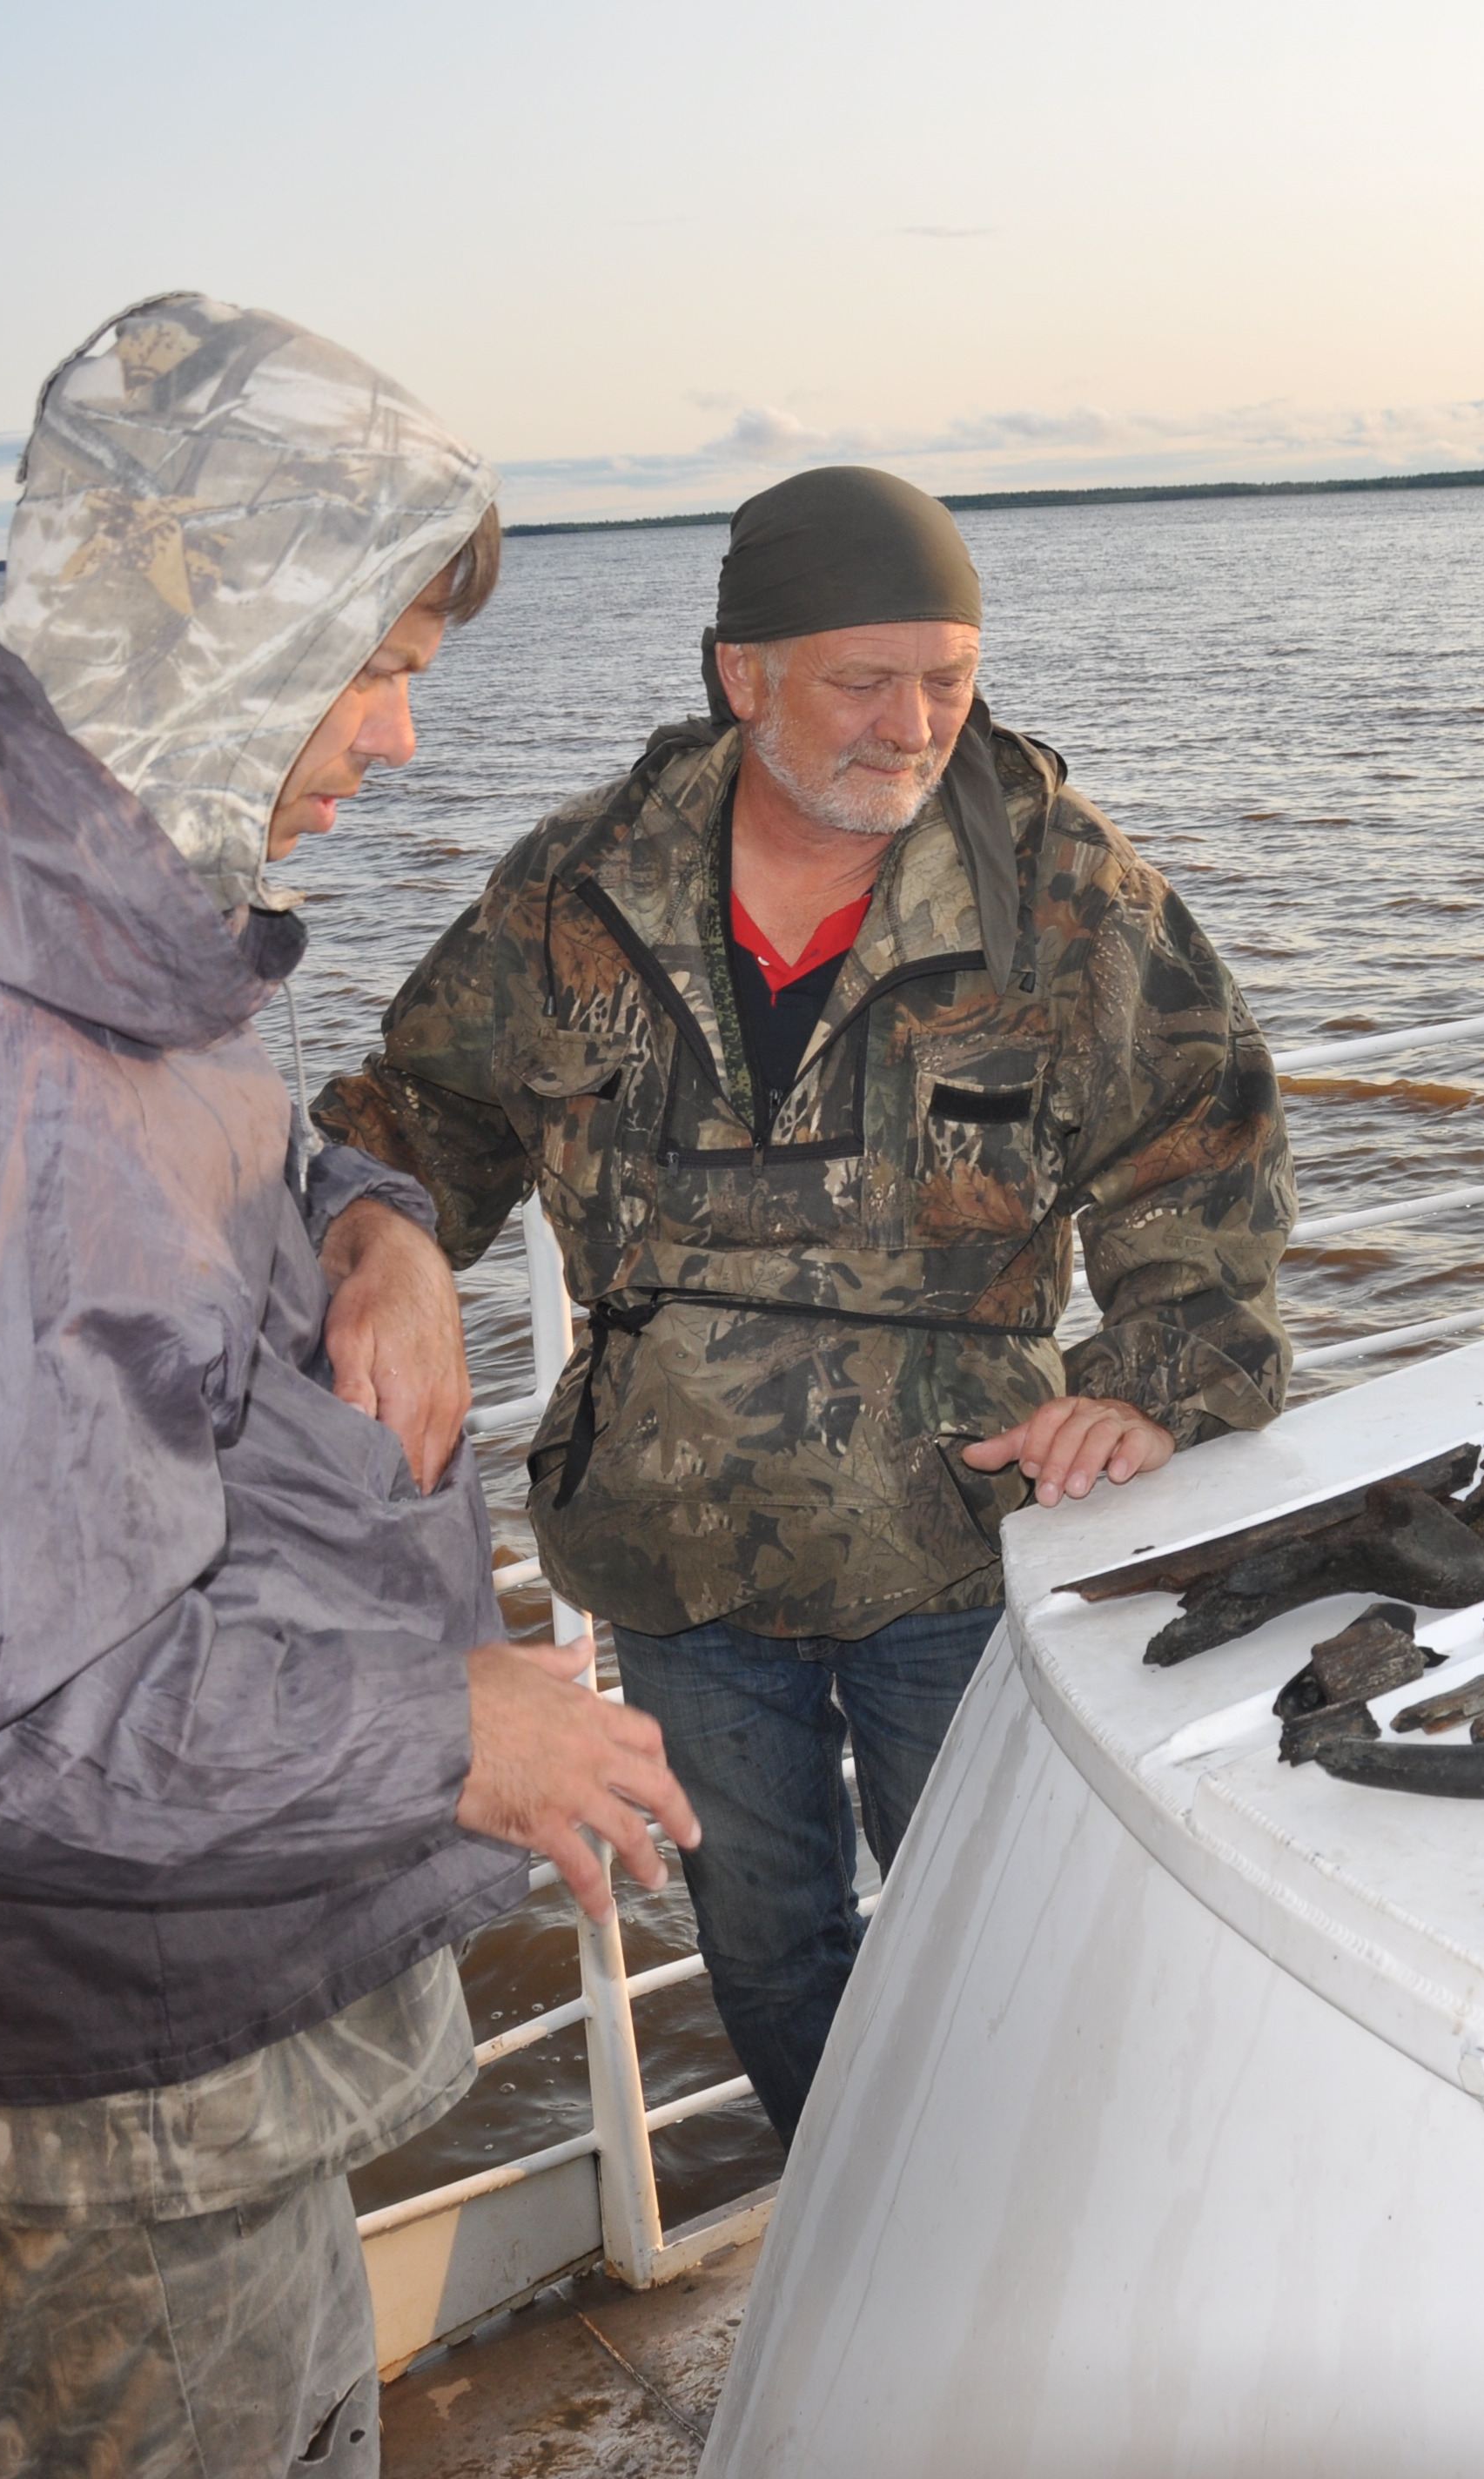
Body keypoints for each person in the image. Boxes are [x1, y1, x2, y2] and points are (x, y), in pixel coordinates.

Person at [0, 294, 696, 2478]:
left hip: (157, 1985)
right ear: (223, 636)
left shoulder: (70, 909)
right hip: (59, 2069)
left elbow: (239, 1162)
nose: (393, 741)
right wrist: (454, 1724)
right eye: (371, 669)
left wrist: (375, 1226)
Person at [316, 465, 1292, 2138]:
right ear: (740, 673)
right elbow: (414, 1116)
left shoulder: (1066, 897)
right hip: (679, 1555)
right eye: (865, 679)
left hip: (959, 1543)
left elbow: (1202, 1147)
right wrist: (385, 1237)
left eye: (951, 677)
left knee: (1016, 1947)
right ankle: (854, 2241)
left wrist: (1152, 1378)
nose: (914, 724)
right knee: (769, 1957)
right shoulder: (577, 896)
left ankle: (1009, 2268)